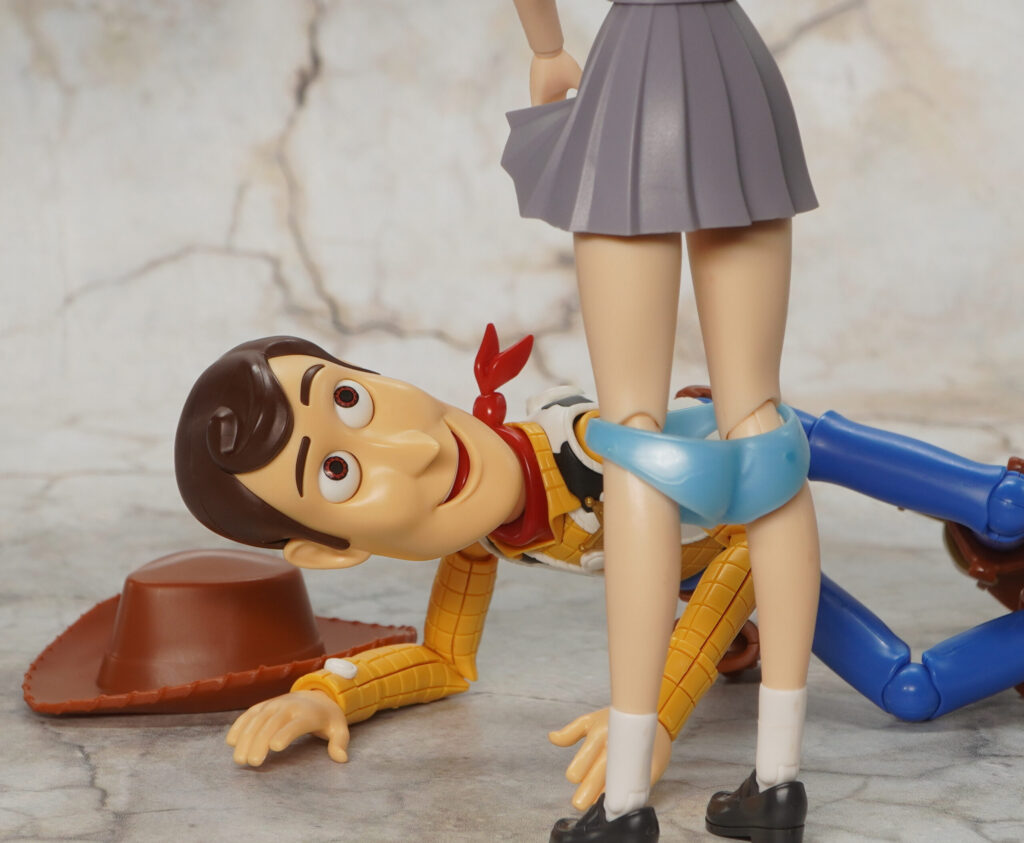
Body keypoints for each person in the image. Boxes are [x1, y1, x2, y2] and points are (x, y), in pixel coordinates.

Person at [175, 333, 1024, 823]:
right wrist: (331, 692)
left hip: (779, 447)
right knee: (911, 691)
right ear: (332, 551)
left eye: (351, 400)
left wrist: (653, 708)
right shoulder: (481, 543)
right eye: (339, 473)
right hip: (742, 558)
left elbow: (737, 530)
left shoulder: (586, 445)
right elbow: (445, 660)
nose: (420, 446)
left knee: (1007, 504)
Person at [504, 1, 821, 839]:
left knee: (634, 432)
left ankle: (625, 802)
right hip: (738, 83)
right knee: (759, 421)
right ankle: (780, 780)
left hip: (632, 88)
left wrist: (547, 46)